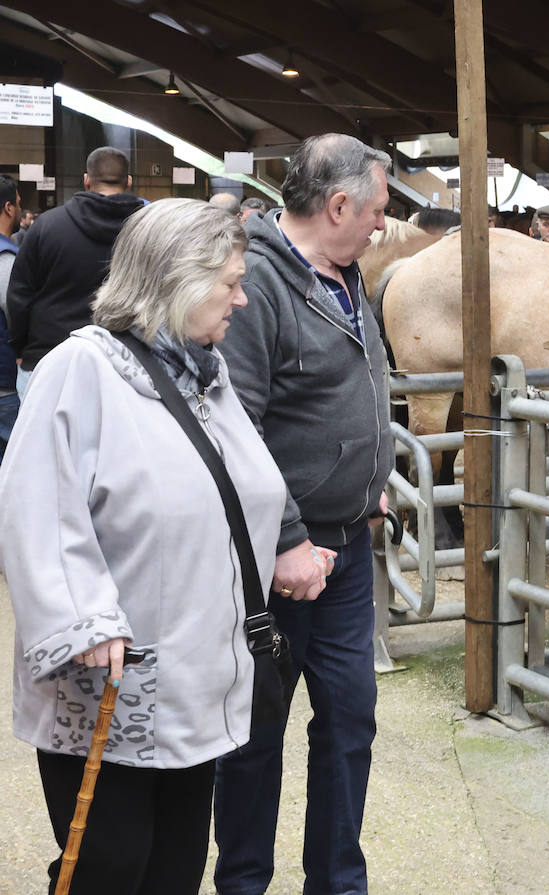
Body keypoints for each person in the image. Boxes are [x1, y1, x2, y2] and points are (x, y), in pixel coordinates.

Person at [0, 198, 292, 894]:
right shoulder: (82, 369)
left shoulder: (208, 376)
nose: (242, 298)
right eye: (230, 281)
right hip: (113, 678)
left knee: (176, 868)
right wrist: (87, 617)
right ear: (178, 279)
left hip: (197, 681)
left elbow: (247, 487)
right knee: (109, 867)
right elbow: (37, 501)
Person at [213, 132, 394, 895]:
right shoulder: (256, 284)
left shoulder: (351, 275)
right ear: (339, 204)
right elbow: (234, 426)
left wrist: (368, 477)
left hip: (350, 552)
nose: (385, 224)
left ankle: (336, 884)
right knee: (256, 737)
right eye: (378, 210)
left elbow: (349, 390)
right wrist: (286, 538)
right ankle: (245, 883)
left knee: (350, 723)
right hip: (278, 564)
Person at [6, 147, 143, 396]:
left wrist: (22, 347)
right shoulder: (150, 229)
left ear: (86, 180)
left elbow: (19, 296)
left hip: (48, 357)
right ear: (129, 182)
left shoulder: (47, 226)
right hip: (130, 365)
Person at [0, 175, 20, 460]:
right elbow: (16, 313)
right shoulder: (6, 257)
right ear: (8, 208)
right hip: (4, 388)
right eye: (18, 202)